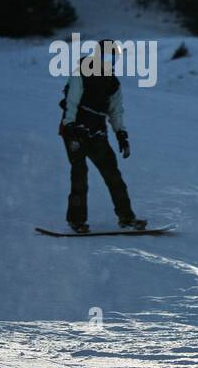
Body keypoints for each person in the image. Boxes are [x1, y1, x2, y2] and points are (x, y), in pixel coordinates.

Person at [58, 39, 145, 233]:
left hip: (97, 133)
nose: (110, 61)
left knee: (113, 175)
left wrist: (121, 134)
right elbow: (72, 100)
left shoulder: (111, 81)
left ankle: (126, 218)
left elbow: (116, 111)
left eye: (114, 58)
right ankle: (77, 220)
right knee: (79, 175)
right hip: (75, 131)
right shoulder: (82, 72)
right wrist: (70, 124)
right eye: (107, 56)